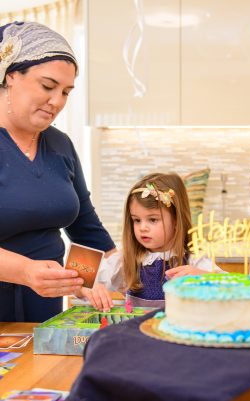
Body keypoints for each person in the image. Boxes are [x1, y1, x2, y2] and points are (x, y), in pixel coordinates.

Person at [0, 21, 115, 322]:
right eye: (48, 86)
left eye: (66, 92)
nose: (58, 102)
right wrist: (25, 271)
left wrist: (85, 281)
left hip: (44, 311)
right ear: (11, 76)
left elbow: (85, 229)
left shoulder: (60, 144)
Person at [78, 172, 218, 311]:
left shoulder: (195, 261)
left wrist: (204, 278)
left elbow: (235, 287)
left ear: (176, 220)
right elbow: (78, 269)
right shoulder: (126, 260)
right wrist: (89, 287)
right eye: (136, 220)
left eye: (152, 219)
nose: (142, 228)